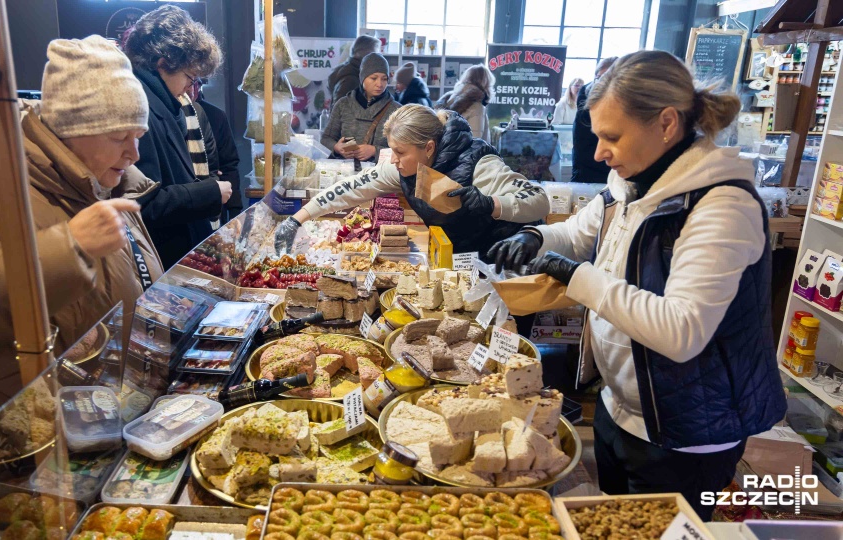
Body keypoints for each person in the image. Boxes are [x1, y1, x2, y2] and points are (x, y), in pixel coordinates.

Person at [487, 50, 787, 520]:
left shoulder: (721, 206)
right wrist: (535, 236)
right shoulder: (630, 184)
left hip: (685, 431)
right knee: (615, 523)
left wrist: (577, 276)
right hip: (621, 405)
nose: (598, 152)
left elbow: (680, 331)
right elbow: (580, 233)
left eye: (611, 137)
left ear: (666, 124)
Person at [0, 36, 165, 483]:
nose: (133, 153)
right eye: (119, 136)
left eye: (137, 136)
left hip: (78, 441)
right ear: (71, 128)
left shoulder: (100, 186)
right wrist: (70, 247)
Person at [276, 104, 549, 257]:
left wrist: (491, 204)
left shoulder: (480, 163)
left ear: (428, 148)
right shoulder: (401, 168)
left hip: (509, 259)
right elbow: (352, 188)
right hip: (464, 259)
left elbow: (540, 200)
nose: (392, 159)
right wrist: (297, 218)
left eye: (400, 152)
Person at [122, 5, 232, 267]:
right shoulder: (141, 109)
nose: (190, 87)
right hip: (163, 259)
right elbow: (146, 204)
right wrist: (209, 192)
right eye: (189, 76)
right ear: (163, 64)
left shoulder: (165, 105)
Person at [322, 53, 401, 163]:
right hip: (345, 172)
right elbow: (326, 139)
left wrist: (375, 151)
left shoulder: (397, 110)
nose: (380, 84)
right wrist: (337, 147)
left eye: (384, 79)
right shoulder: (343, 104)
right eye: (373, 78)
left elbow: (404, 149)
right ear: (362, 78)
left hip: (379, 176)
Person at [193, 86, 243, 222]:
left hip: (216, 198)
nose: (191, 88)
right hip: (190, 199)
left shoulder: (215, 115)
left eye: (195, 83)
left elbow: (229, 165)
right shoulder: (170, 114)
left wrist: (235, 210)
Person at [571, 57, 617, 182]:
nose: (604, 83)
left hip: (613, 171)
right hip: (586, 168)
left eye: (610, 78)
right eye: (600, 78)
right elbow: (582, 139)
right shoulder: (586, 93)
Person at [437, 65, 494, 142]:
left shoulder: (449, 98)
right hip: (465, 153)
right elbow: (474, 142)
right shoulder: (477, 107)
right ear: (486, 83)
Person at [328, 34, 382, 104]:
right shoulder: (351, 79)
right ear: (364, 52)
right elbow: (341, 111)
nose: (377, 59)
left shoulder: (350, 72)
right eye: (375, 54)